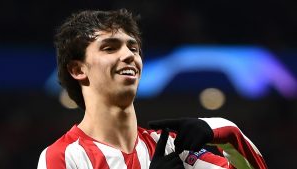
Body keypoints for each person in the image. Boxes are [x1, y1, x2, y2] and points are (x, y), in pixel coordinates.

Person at [37, 9, 267, 169]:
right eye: (110, 48)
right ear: (78, 70)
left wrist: (219, 130)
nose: (129, 55)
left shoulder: (171, 149)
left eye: (133, 48)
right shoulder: (64, 157)